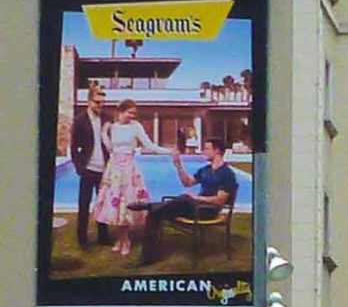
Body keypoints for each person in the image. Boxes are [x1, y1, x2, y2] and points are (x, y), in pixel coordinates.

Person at [135, 135, 243, 266]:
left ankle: (148, 206)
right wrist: (178, 166)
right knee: (154, 214)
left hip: (206, 211)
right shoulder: (205, 170)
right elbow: (188, 183)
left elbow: (219, 201)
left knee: (183, 199)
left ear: (217, 151)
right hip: (194, 206)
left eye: (207, 148)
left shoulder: (226, 173)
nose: (203, 151)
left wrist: (195, 197)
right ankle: (146, 258)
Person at [89, 98, 155, 260]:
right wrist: (104, 133)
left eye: (134, 113)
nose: (132, 116)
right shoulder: (114, 127)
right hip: (115, 169)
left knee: (126, 204)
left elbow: (149, 145)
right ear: (120, 112)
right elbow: (110, 148)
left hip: (129, 170)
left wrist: (168, 152)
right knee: (116, 205)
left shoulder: (136, 127)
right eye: (129, 113)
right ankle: (121, 239)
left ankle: (126, 241)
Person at [68, 82, 113, 251]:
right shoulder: (80, 120)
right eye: (97, 102)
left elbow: (110, 142)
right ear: (89, 101)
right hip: (88, 170)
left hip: (104, 170)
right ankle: (83, 239)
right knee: (84, 204)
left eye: (102, 102)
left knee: (102, 204)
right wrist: (80, 168)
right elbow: (74, 147)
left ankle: (103, 237)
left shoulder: (107, 118)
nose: (100, 105)